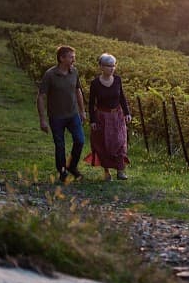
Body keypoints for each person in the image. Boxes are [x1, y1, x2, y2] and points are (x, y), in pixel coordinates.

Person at [37, 45, 87, 183]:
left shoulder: (74, 72)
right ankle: (62, 171)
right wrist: (43, 119)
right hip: (56, 117)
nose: (74, 59)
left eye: (74, 57)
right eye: (71, 57)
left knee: (80, 140)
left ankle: (72, 166)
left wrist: (82, 111)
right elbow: (41, 96)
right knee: (60, 145)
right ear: (62, 58)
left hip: (73, 114)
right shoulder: (50, 75)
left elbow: (78, 91)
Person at [85, 53, 132, 181]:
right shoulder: (95, 83)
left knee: (120, 142)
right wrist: (93, 120)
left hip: (117, 115)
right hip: (102, 117)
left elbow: (122, 97)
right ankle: (107, 172)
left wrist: (127, 112)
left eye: (113, 65)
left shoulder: (117, 80)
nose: (112, 68)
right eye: (108, 66)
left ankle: (120, 170)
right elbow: (91, 103)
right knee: (103, 145)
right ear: (101, 67)